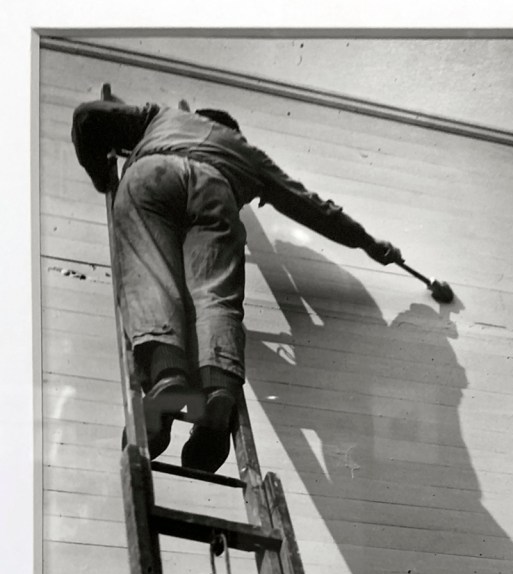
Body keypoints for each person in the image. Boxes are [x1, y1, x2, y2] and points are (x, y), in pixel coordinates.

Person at [71, 97, 403, 472]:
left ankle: (167, 380)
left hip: (153, 174)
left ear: (198, 116)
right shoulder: (247, 152)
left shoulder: (162, 116)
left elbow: (88, 117)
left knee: (150, 277)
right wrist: (369, 243)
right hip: (217, 190)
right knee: (215, 295)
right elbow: (313, 207)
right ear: (233, 130)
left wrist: (102, 175)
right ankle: (218, 394)